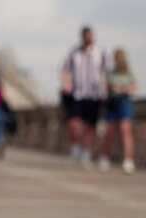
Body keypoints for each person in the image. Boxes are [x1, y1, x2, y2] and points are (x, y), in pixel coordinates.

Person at [61, 26, 108, 167]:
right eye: (87, 36)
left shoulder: (101, 53)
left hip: (94, 95)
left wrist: (105, 90)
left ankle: (86, 152)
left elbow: (106, 73)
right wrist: (66, 85)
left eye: (91, 35)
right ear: (82, 37)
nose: (89, 38)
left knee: (90, 126)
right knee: (73, 124)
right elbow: (65, 71)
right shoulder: (74, 53)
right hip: (77, 94)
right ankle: (75, 146)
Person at [99, 48, 137, 174]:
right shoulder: (111, 73)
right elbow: (109, 87)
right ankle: (105, 158)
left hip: (125, 104)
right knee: (109, 133)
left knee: (125, 131)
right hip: (112, 104)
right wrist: (121, 88)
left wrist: (121, 89)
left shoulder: (129, 73)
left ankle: (128, 161)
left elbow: (134, 88)